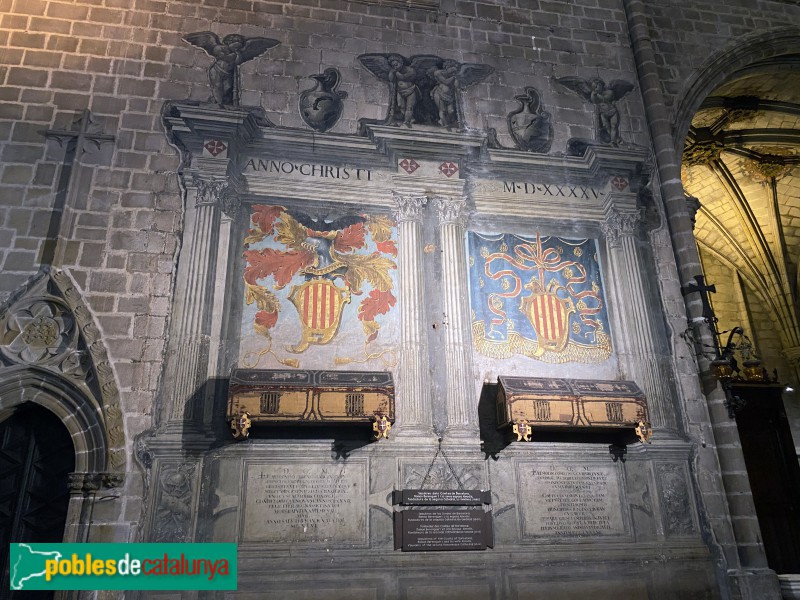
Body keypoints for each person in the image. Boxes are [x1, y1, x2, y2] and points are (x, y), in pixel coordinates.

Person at [387, 55, 419, 127]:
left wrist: (396, 73)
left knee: (409, 106)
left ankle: (407, 121)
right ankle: (411, 118)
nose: (395, 67)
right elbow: (391, 79)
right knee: (400, 105)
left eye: (396, 65)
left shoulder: (410, 70)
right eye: (393, 66)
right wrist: (391, 73)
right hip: (400, 91)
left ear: (401, 63)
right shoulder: (395, 70)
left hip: (411, 90)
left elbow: (403, 77)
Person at [431, 60, 459, 127]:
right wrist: (454, 77)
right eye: (452, 70)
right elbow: (445, 82)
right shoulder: (438, 73)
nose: (453, 73)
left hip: (449, 96)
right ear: (447, 67)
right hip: (439, 93)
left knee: (451, 111)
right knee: (442, 110)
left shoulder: (453, 76)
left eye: (454, 72)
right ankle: (445, 124)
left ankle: (450, 121)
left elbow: (456, 86)